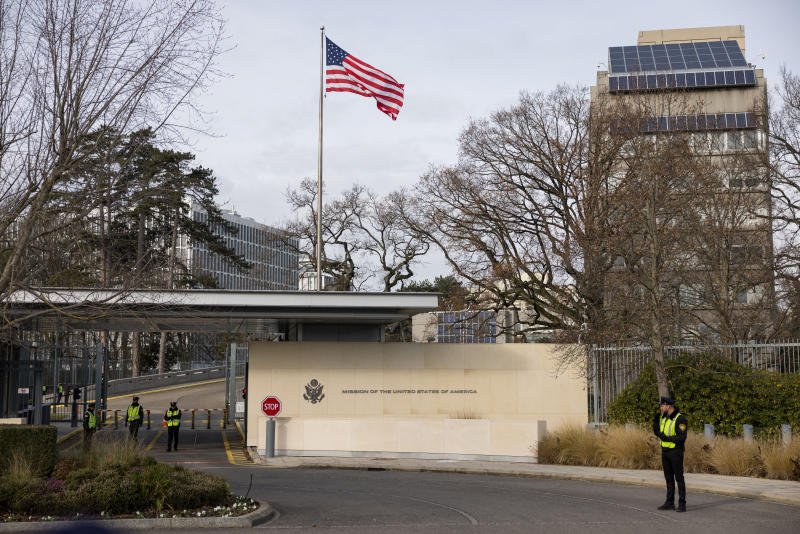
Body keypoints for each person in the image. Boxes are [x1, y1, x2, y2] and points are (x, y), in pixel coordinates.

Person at [653, 396, 688, 512]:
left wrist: (667, 438)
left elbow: (682, 437)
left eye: (662, 406)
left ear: (668, 405)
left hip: (675, 452)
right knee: (668, 478)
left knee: (679, 478)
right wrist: (656, 429)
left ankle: (682, 504)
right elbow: (660, 431)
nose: (661, 408)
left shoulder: (680, 419)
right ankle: (669, 502)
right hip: (665, 452)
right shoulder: (664, 418)